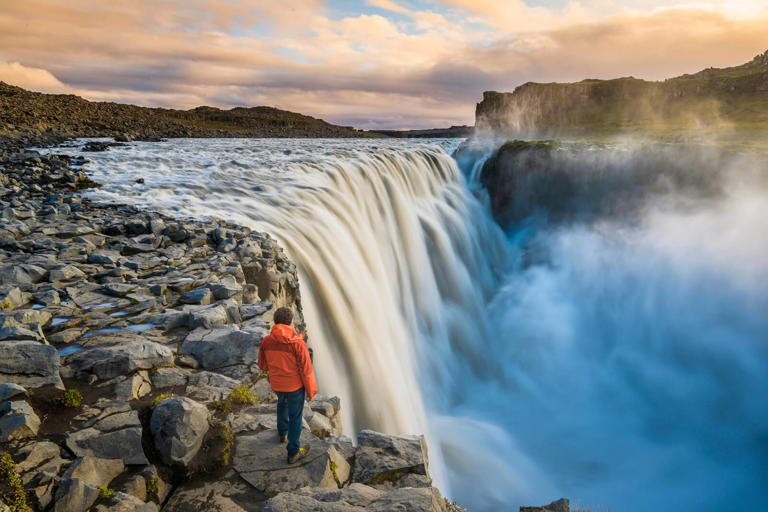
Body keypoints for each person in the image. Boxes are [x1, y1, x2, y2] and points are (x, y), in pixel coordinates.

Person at [257, 306, 318, 464]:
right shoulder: (298, 344)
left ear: (276, 323)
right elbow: (306, 371)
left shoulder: (266, 341)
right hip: (294, 387)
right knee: (295, 418)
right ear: (290, 323)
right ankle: (293, 453)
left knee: (281, 404)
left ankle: (282, 433)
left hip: (277, 385)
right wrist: (311, 392)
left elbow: (263, 366)